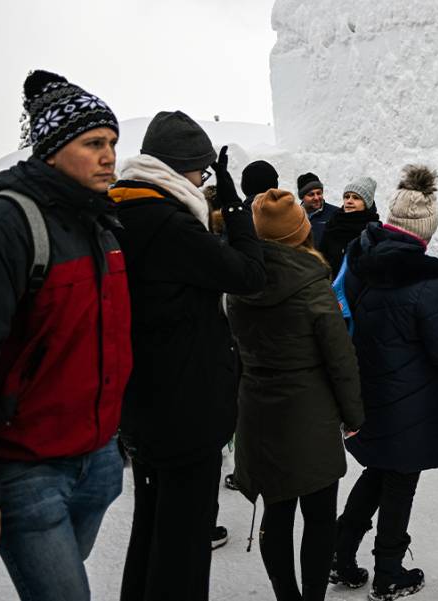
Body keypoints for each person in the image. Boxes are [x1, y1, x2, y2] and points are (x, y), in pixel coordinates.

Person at [0, 69, 130, 601]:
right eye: (93, 143)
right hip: (27, 468)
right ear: (52, 150)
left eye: (111, 142)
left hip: (98, 461)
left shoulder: (100, 223)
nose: (109, 155)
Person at [109, 111, 267, 601]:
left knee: (152, 529)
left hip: (146, 403)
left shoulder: (121, 210)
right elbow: (248, 274)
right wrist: (237, 209)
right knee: (183, 546)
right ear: (179, 169)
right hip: (186, 410)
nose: (204, 182)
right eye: (200, 172)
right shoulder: (169, 224)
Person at [332, 164, 438, 600]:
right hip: (409, 398)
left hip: (366, 388)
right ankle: (388, 573)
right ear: (424, 230)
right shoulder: (426, 282)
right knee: (400, 480)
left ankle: (340, 555)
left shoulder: (359, 256)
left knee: (376, 469)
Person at [227, 187, 364, 601]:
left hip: (258, 408)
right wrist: (353, 415)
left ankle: (286, 596)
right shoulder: (312, 285)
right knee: (320, 515)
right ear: (301, 234)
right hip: (311, 411)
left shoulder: (237, 283)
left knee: (277, 510)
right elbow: (340, 359)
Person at [318, 176, 379, 277]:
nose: (349, 201)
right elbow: (321, 258)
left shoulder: (372, 230)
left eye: (356, 198)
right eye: (347, 197)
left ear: (366, 203)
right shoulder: (334, 223)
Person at [297, 171, 339, 246]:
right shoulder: (294, 215)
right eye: (311, 194)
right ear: (302, 197)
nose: (316, 198)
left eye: (319, 193)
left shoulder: (336, 214)